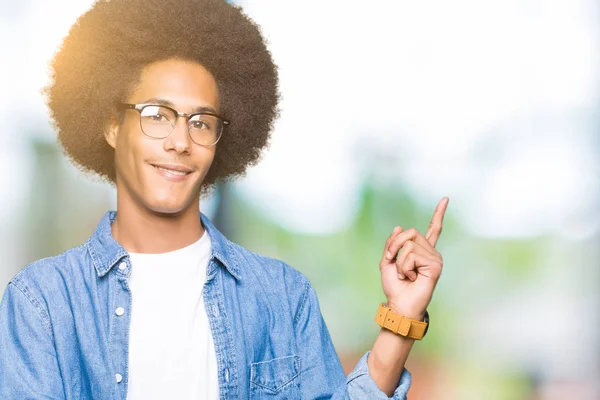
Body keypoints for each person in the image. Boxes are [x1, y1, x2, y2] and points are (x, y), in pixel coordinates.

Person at [0, 0, 449, 398]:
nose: (180, 141)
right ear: (113, 126)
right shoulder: (42, 303)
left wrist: (400, 323)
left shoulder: (280, 297)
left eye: (200, 122)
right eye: (157, 115)